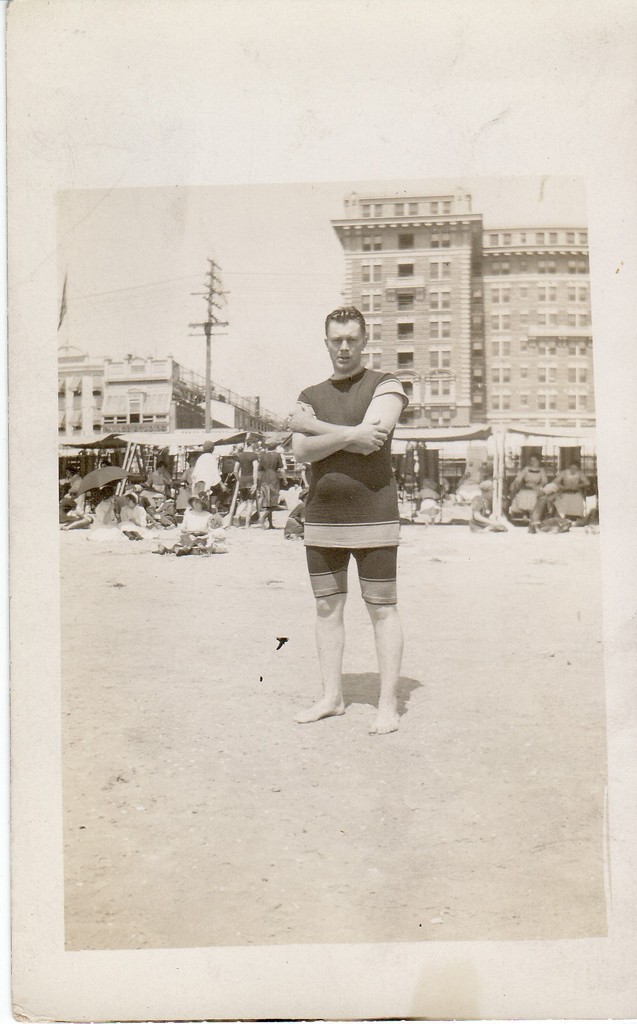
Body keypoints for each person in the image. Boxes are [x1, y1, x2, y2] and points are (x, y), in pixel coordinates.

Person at [291, 305, 408, 735]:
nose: (344, 347)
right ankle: (332, 698)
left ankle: (388, 705)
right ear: (326, 343)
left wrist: (314, 428)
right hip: (323, 514)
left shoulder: (386, 383)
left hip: (375, 511)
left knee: (382, 608)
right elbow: (301, 451)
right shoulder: (310, 393)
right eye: (336, 340)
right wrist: (348, 434)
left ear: (364, 341)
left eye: (351, 339)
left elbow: (372, 439)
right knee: (327, 607)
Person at [258, 444, 287, 529]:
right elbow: (281, 469)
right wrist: (285, 479)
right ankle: (263, 518)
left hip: (264, 478)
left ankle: (270, 524)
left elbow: (259, 470)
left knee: (267, 501)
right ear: (275, 448)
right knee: (273, 502)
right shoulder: (277, 455)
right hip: (273, 478)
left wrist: (259, 481)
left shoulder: (262, 455)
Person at [233, 444, 259, 528]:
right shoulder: (254, 456)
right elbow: (255, 470)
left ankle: (237, 515)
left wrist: (238, 479)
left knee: (244, 501)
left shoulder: (240, 456)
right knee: (250, 502)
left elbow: (235, 470)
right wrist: (255, 483)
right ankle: (247, 524)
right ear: (253, 445)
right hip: (250, 479)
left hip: (242, 479)